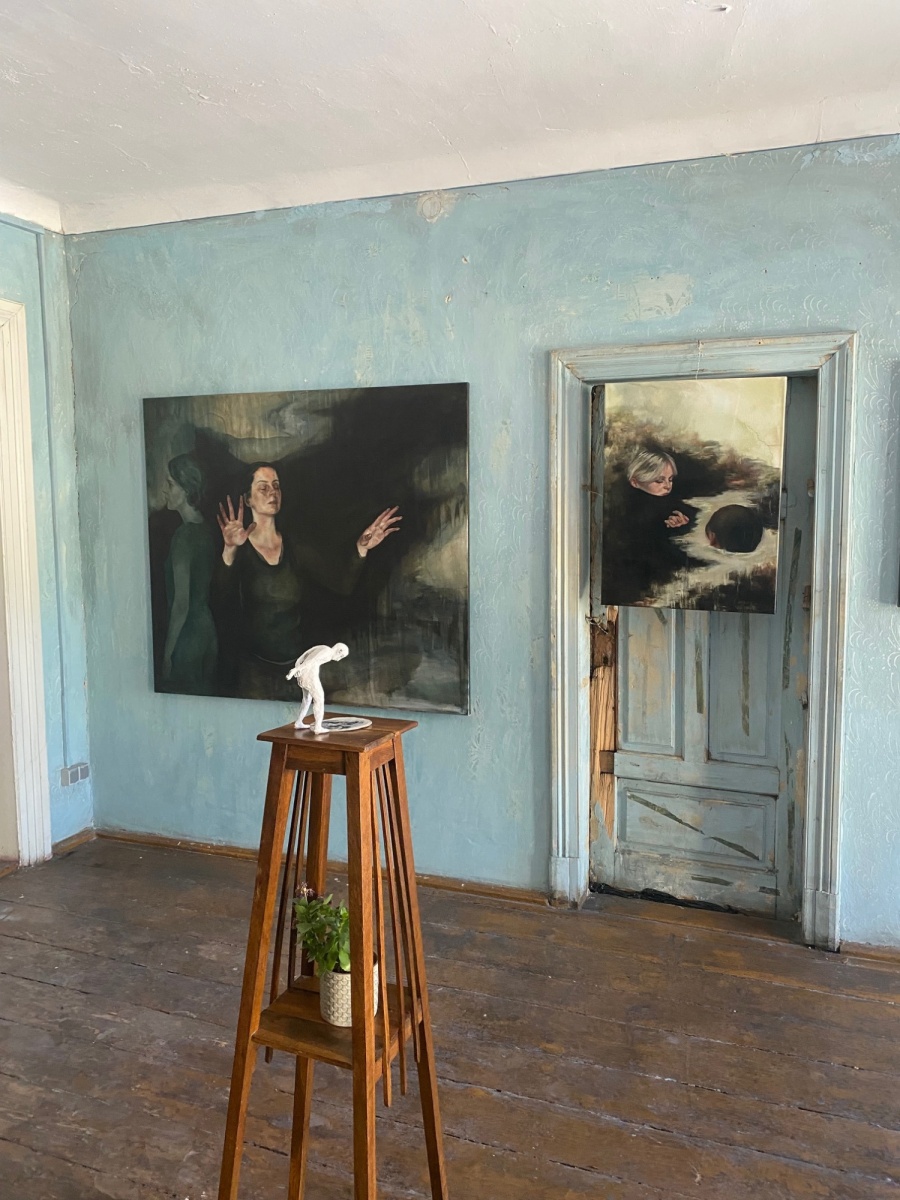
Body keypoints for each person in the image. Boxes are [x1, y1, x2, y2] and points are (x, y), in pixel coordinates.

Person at [215, 463, 400, 698]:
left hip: (297, 669)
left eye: (276, 486)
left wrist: (362, 547)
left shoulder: (295, 547)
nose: (273, 493)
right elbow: (219, 600)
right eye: (263, 488)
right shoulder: (240, 550)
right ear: (248, 499)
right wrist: (230, 549)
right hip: (253, 673)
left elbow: (342, 584)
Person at [160, 454, 218, 694]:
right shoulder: (207, 530)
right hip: (208, 633)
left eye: (170, 484)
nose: (165, 490)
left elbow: (181, 603)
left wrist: (167, 654)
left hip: (187, 637)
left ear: (186, 489)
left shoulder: (184, 537)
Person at [286, 643, 349, 732]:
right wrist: (296, 669)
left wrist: (298, 667)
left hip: (304, 674)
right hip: (309, 676)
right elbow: (312, 660)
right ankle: (318, 727)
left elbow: (303, 657)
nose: (339, 659)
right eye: (341, 656)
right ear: (339, 651)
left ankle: (299, 722)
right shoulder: (328, 652)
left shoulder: (323, 648)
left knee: (307, 699)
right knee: (319, 699)